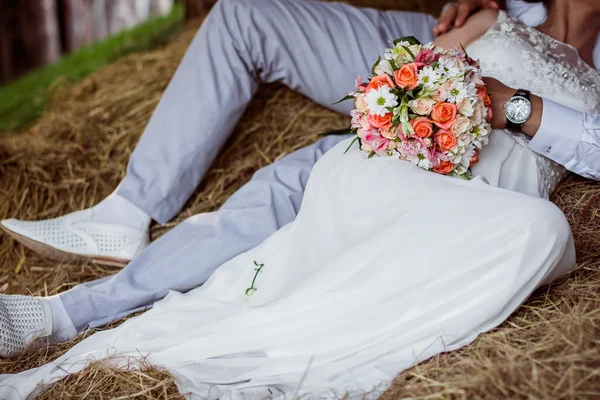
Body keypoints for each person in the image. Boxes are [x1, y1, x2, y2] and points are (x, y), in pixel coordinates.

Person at [0, 0, 599, 397]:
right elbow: (419, 74)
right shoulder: (496, 11)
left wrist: (511, 107)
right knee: (301, 183)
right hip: (392, 159)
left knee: (539, 230)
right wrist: (411, 103)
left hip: (477, 196)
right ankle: (70, 307)